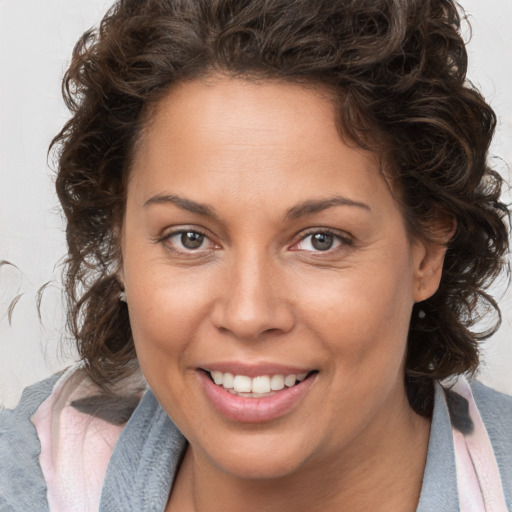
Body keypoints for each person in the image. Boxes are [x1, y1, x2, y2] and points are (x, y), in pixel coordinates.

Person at [1, 0, 511, 510]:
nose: (248, 315)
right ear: (120, 247)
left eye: (321, 240)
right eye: (190, 238)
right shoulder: (27, 477)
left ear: (425, 255)